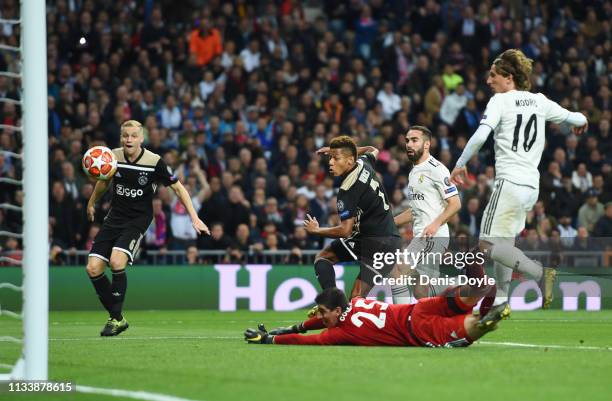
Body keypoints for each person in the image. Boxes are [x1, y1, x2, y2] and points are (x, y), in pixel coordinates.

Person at [450, 49, 588, 309]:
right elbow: (577, 118)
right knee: (505, 243)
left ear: (508, 77)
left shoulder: (500, 101)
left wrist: (459, 164)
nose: (488, 81)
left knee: (487, 244)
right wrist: (582, 122)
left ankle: (539, 273)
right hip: (530, 187)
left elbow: (481, 135)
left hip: (509, 182)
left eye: (493, 76)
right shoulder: (540, 101)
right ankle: (501, 302)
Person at [86, 120, 210, 336]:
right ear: (121, 138)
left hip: (138, 219)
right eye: (125, 136)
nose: (129, 140)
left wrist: (194, 217)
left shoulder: (155, 162)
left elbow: (179, 189)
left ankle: (114, 319)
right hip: (114, 217)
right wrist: (91, 202)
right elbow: (104, 181)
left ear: (141, 138)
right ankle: (117, 318)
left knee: (116, 261)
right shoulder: (111, 157)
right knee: (93, 268)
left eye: (134, 136)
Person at [244, 281, 506, 347]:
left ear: (337, 310)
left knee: (469, 327)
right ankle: (479, 287)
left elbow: (308, 340)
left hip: (417, 331)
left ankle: (484, 323)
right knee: (452, 301)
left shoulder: (341, 332)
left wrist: (271, 339)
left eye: (324, 313)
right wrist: (297, 325)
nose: (321, 318)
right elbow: (316, 323)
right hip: (419, 307)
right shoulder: (356, 300)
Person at [305, 136, 401, 300]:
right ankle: (333, 302)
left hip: (378, 243)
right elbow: (372, 149)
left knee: (356, 298)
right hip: (379, 239)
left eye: (336, 158)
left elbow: (345, 230)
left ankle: (333, 304)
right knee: (324, 259)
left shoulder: (347, 190)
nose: (330, 162)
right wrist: (340, 151)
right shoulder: (364, 163)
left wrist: (317, 230)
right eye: (330, 157)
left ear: (350, 161)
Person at [391, 126, 461, 303]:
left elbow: (455, 203)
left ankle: (400, 325)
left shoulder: (436, 169)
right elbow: (415, 211)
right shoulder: (414, 172)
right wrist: (389, 223)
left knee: (398, 270)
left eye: (414, 140)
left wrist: (435, 224)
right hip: (423, 235)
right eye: (407, 140)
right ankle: (463, 285)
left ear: (427, 144)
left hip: (432, 236)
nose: (409, 144)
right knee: (421, 292)